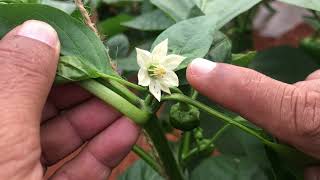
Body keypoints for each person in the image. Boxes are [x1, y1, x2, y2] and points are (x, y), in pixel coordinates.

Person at [0, 20, 319, 180]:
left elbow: (158, 71)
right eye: (151, 67)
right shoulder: (150, 71)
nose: (155, 68)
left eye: (157, 67)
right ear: (147, 65)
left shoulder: (156, 70)